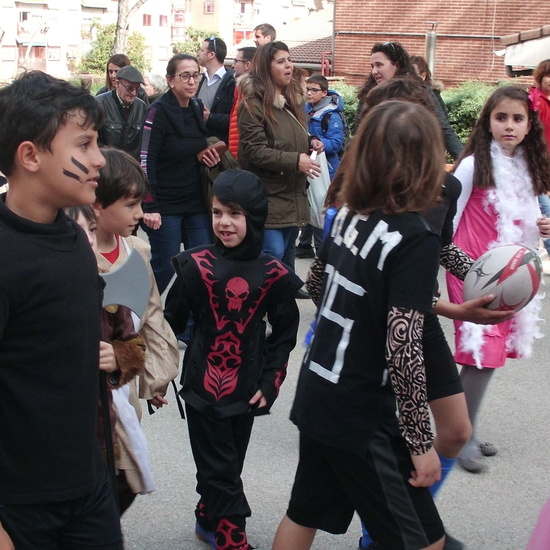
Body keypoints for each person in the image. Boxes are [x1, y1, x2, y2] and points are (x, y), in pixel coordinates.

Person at [345, 76, 513, 550]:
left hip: (420, 316)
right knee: (394, 438)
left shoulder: (443, 187)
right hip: (388, 325)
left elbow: (443, 248)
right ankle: (387, 530)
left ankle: (404, 521)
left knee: (458, 432)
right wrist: (455, 307)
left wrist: (487, 274)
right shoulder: (366, 189)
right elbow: (364, 286)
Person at [272, 100, 448, 550]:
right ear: (426, 161)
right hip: (362, 411)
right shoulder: (415, 237)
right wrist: (419, 439)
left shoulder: (346, 213)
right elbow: (404, 341)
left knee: (303, 513)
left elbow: (315, 283)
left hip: (319, 389)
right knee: (423, 541)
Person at [0, 70, 122, 549]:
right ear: (29, 155)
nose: (98, 161)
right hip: (18, 502)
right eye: (86, 144)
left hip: (85, 483)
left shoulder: (73, 237)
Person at [164, 169, 302, 550]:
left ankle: (209, 514)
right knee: (222, 468)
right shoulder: (194, 265)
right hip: (201, 388)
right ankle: (231, 538)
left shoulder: (273, 274)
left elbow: (285, 332)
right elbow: (166, 325)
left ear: (254, 218)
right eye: (217, 212)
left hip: (246, 388)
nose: (223, 222)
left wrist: (271, 380)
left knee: (229, 463)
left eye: (235, 214)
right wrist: (156, 377)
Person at [447, 86, 550, 474]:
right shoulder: (475, 164)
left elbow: (524, 223)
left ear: (528, 126)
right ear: (488, 122)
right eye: (501, 117)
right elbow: (449, 217)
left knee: (487, 355)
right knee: (481, 353)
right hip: (472, 268)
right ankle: (460, 437)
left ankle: (464, 426)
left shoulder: (527, 166)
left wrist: (542, 226)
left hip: (507, 272)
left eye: (517, 118)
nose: (509, 125)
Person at [65, 204, 148, 516]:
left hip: (99, 422)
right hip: (47, 429)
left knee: (120, 485)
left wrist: (118, 357)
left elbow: (135, 345)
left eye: (87, 229)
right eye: (71, 228)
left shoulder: (105, 284)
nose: (84, 238)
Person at [238, 41, 323, 278]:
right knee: (271, 258)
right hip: (268, 197)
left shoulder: (293, 101)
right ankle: (254, 311)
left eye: (289, 59)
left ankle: (278, 313)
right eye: (280, 61)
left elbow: (293, 137)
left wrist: (312, 141)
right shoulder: (253, 104)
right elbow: (255, 151)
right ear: (266, 68)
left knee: (285, 265)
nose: (289, 66)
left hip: (292, 196)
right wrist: (296, 160)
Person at [140, 53, 220, 295]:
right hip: (165, 205)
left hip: (195, 201)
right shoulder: (158, 112)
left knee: (201, 264)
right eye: (185, 76)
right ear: (171, 80)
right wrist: (149, 205)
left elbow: (196, 148)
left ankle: (188, 326)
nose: (192, 81)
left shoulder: (197, 108)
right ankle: (136, 316)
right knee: (165, 265)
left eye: (196, 75)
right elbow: (144, 160)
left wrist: (209, 155)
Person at [356, 42, 463, 160]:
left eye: (379, 65)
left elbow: (444, 129)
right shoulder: (369, 95)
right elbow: (359, 134)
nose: (374, 71)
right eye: (372, 66)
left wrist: (464, 162)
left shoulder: (419, 91)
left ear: (396, 65)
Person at [296, 74, 345, 259]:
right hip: (307, 166)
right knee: (308, 206)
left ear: (324, 93)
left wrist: (319, 144)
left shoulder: (331, 115)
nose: (309, 93)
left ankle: (322, 252)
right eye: (307, 89)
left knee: (320, 208)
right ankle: (304, 245)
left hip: (326, 170)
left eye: (314, 90)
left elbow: (337, 142)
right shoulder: (305, 110)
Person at [96, 65, 148, 160]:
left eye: (137, 89)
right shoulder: (100, 104)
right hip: (107, 166)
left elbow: (145, 143)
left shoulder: (142, 107)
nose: (134, 93)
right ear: (117, 83)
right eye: (129, 88)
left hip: (132, 167)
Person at [528, 59, 550, 258]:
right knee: (545, 209)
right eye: (548, 75)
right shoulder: (535, 101)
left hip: (546, 165)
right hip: (534, 165)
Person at [196, 36, 235, 145]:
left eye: (202, 50)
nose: (198, 53)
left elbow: (236, 120)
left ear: (211, 55)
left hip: (221, 148)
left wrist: (210, 117)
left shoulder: (232, 82)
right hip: (199, 143)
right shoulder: (199, 80)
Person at [228, 46, 257, 159]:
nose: (233, 65)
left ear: (247, 65)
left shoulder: (253, 91)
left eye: (236, 61)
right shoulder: (240, 89)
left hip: (244, 158)